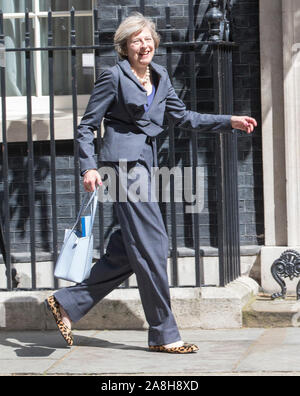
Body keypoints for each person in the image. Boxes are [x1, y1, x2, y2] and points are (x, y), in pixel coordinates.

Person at [45, 13, 257, 353]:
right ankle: (164, 334)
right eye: (135, 41)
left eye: (147, 39)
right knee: (154, 246)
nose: (143, 46)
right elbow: (87, 126)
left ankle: (67, 303)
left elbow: (183, 116)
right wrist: (88, 167)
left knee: (128, 253)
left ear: (154, 43)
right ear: (125, 47)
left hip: (145, 166)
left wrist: (228, 120)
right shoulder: (112, 77)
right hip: (123, 167)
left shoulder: (159, 76)